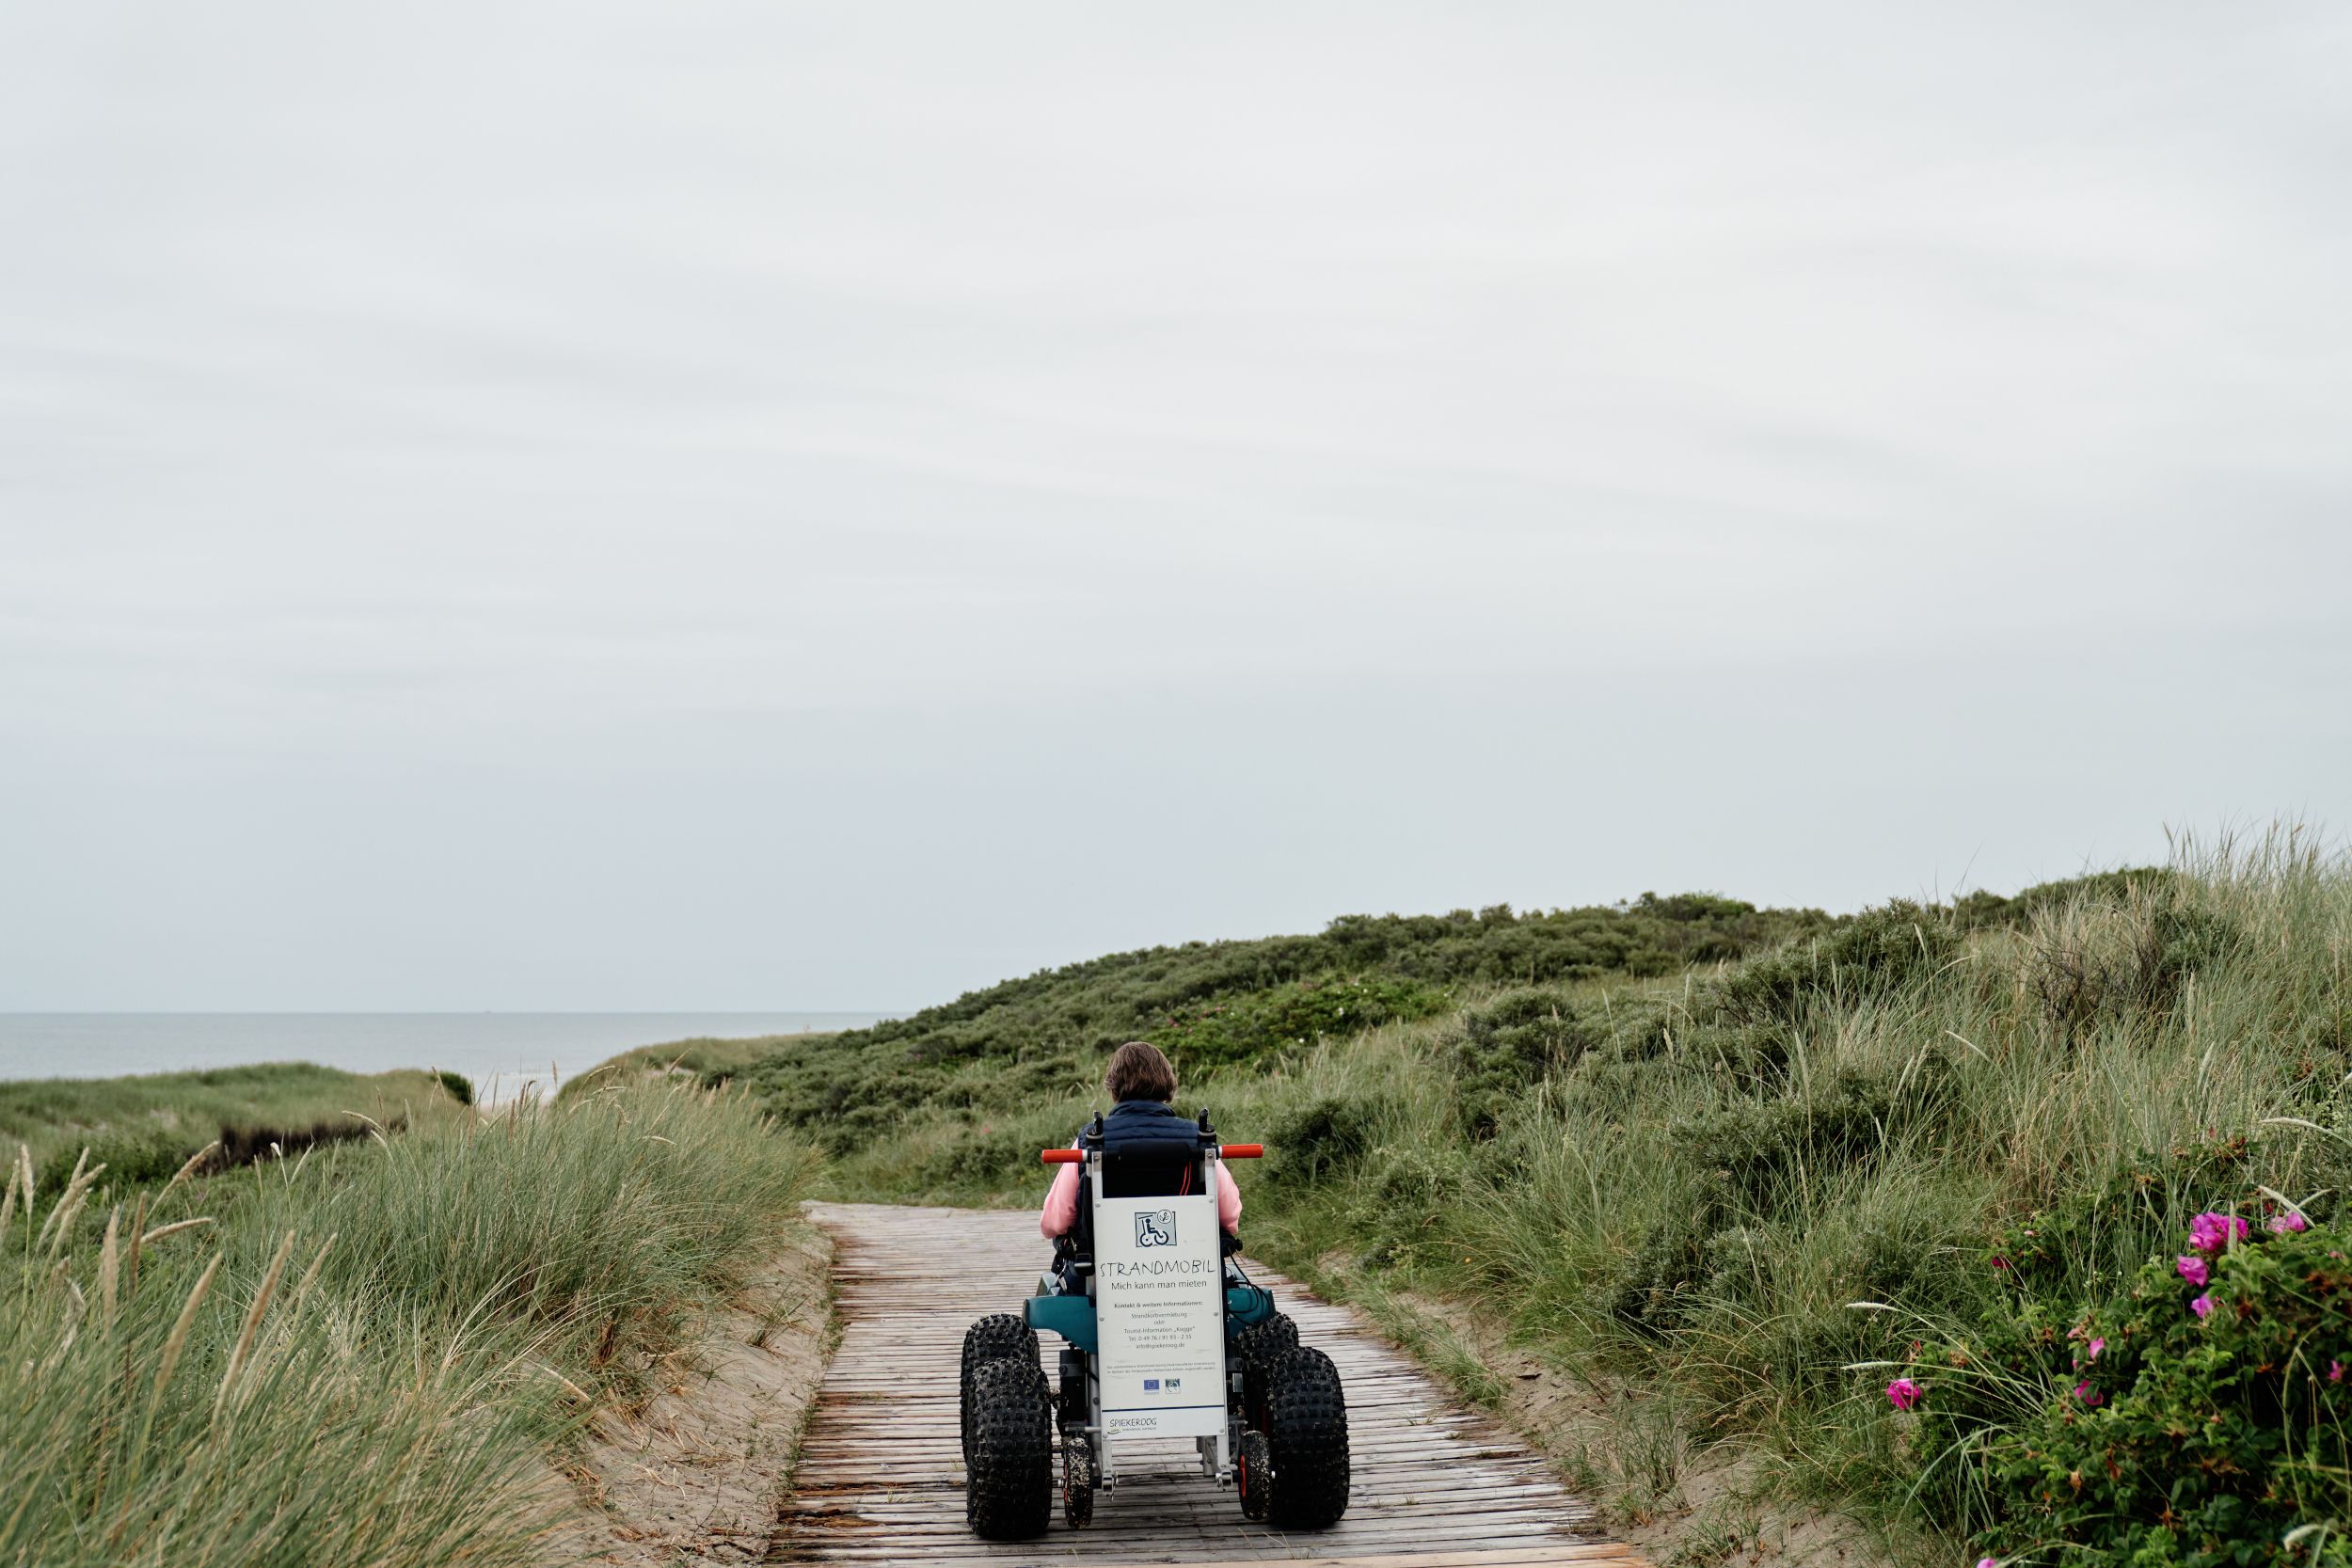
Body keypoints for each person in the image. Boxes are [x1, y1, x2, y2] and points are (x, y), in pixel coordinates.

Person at [1039, 1040, 1242, 1241]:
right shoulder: (1198, 1138)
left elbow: (1055, 1221)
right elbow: (1229, 1216)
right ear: (1167, 1082)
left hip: (1105, 1267)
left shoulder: (1091, 1140)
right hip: (1191, 1264)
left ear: (1113, 1087)